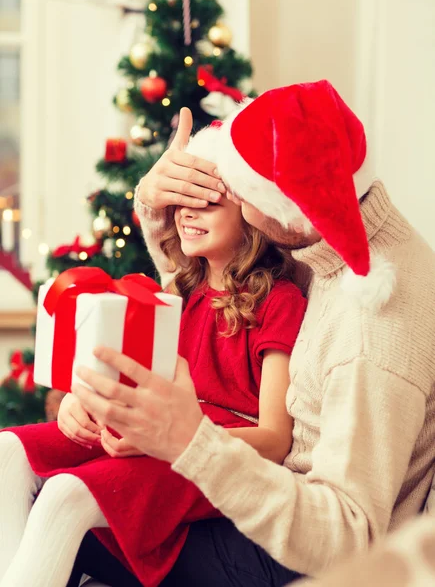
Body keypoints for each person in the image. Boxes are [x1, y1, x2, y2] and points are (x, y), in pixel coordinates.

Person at [70, 80, 435, 587]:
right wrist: (154, 206)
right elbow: (211, 287)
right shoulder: (324, 244)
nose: (227, 194)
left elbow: (347, 540)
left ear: (276, 213)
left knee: (75, 531)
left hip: (304, 550)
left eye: (237, 190)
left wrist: (189, 442)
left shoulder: (373, 329)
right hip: (274, 498)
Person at [0, 176, 306, 586]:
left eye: (209, 203)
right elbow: (128, 380)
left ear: (252, 212)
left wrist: (174, 438)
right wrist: (79, 400)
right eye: (181, 203)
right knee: (7, 451)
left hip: (214, 450)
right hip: (154, 431)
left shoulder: (279, 300)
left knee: (67, 495)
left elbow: (274, 441)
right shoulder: (175, 294)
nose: (187, 213)